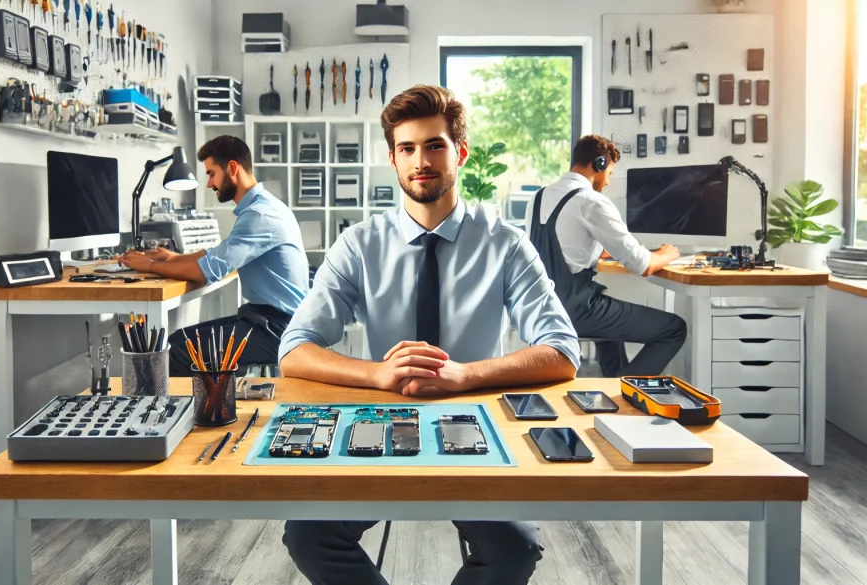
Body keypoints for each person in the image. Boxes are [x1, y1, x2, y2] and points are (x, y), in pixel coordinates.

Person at [276, 85, 581, 585]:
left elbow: (562, 352)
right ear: (393, 159)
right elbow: (295, 349)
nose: (421, 161)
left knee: (515, 547)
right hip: (382, 422)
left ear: (459, 152)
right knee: (309, 534)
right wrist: (376, 374)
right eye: (407, 148)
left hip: (476, 424)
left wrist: (465, 375)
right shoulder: (358, 244)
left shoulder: (505, 244)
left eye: (434, 145)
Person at [118, 136, 309, 376]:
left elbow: (207, 270)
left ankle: (196, 409)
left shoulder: (260, 215)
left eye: (211, 173)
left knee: (170, 353)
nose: (209, 183)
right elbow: (216, 255)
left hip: (277, 329)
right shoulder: (262, 207)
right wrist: (173, 258)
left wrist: (149, 265)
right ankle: (215, 402)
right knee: (177, 339)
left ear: (232, 168)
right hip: (264, 319)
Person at [526, 135, 687, 377]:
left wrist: (604, 249)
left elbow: (563, 247)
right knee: (674, 328)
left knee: (610, 331)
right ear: (599, 165)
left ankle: (614, 383)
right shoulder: (591, 201)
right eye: (609, 173)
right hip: (576, 310)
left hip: (542, 308)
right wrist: (666, 254)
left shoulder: (537, 198)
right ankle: (624, 391)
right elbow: (642, 265)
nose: (608, 182)